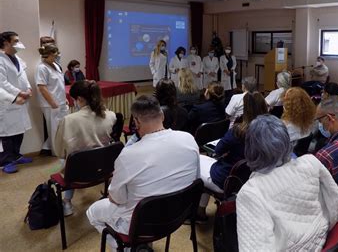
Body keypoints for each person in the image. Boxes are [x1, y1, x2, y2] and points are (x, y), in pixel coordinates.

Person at [87, 95, 199, 250]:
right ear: (162, 115)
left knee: (92, 212)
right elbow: (195, 178)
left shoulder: (128, 155)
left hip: (141, 223)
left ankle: (127, 248)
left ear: (136, 122)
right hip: (178, 216)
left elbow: (116, 199)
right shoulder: (188, 139)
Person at [237, 115, 338, 252]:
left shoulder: (250, 192)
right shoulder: (311, 162)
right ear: (287, 141)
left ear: (250, 149)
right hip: (322, 241)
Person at [198, 92, 267, 220]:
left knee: (197, 162)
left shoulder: (238, 131)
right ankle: (200, 209)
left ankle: (197, 211)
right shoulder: (269, 130)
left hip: (227, 179)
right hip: (251, 178)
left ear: (246, 108)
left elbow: (218, 150)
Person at [53, 80, 117, 216]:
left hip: (78, 174)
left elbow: (59, 151)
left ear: (80, 99)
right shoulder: (111, 115)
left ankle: (67, 202)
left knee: (66, 160)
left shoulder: (69, 120)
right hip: (104, 169)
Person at [0, 31, 33, 174]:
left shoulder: (17, 58)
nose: (19, 43)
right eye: (16, 41)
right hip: (8, 102)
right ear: (6, 43)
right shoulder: (0, 60)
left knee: (19, 131)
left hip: (21, 100)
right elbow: (2, 83)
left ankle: (17, 155)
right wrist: (17, 95)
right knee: (7, 134)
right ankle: (6, 162)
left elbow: (23, 76)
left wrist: (29, 88)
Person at [35, 44, 69, 156]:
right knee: (54, 130)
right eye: (55, 55)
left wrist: (65, 99)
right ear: (48, 55)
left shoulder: (56, 65)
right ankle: (57, 152)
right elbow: (42, 87)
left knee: (62, 127)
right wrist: (52, 102)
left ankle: (61, 147)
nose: (57, 56)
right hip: (51, 104)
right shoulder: (42, 68)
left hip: (61, 101)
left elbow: (60, 85)